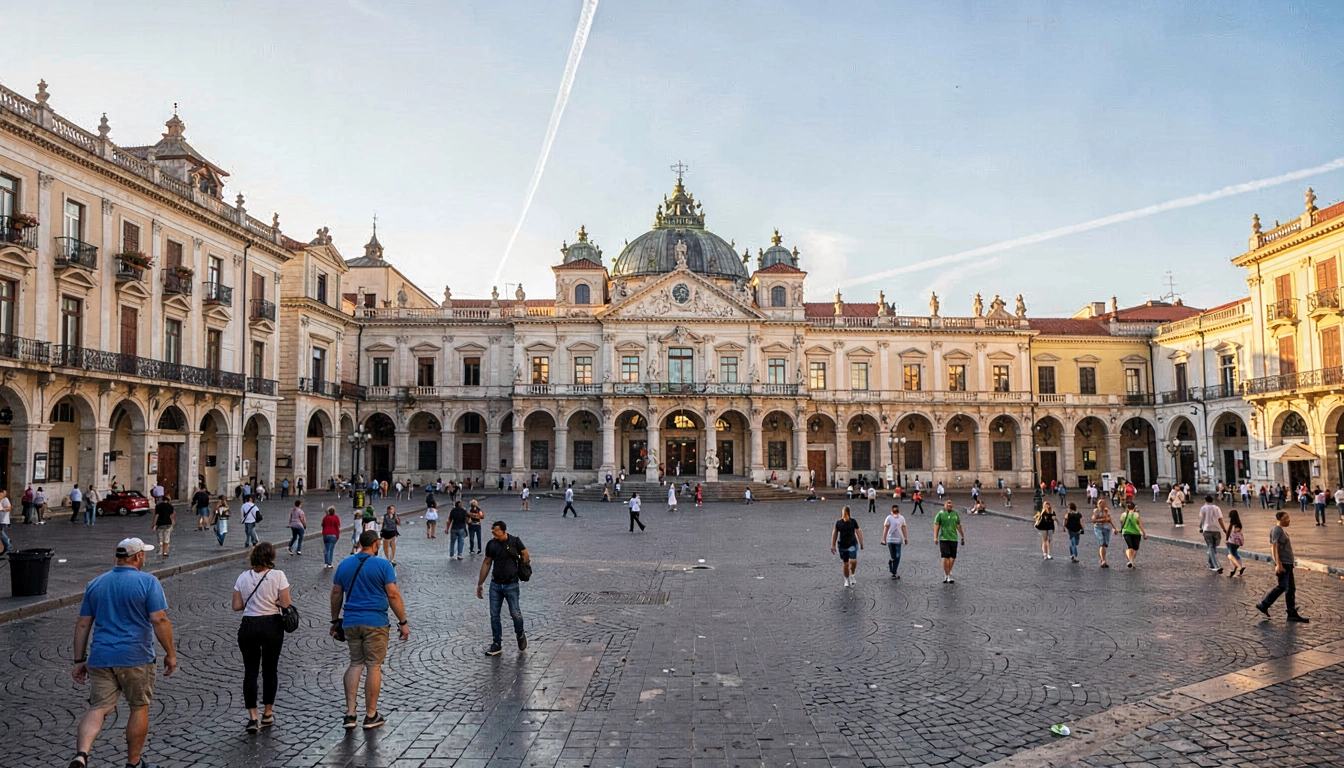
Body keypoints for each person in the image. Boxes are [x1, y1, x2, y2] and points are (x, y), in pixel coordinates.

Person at [67, 538, 176, 768]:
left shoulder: (96, 584)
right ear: (137, 557)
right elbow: (159, 619)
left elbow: (83, 624)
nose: (144, 558)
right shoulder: (148, 582)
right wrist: (170, 653)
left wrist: (79, 660)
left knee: (98, 708)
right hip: (136, 657)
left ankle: (81, 755)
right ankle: (133, 763)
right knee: (138, 707)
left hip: (101, 657)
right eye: (143, 554)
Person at [330, 531, 409, 730]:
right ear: (376, 544)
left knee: (355, 663)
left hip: (351, 621)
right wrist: (403, 622)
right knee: (374, 666)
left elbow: (336, 593)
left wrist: (334, 620)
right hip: (375, 622)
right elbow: (393, 595)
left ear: (359, 543)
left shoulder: (345, 564)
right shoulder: (383, 565)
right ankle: (371, 715)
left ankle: (350, 714)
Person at [232, 542, 292, 732]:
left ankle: (252, 717)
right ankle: (267, 713)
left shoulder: (242, 577)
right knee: (270, 670)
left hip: (249, 625)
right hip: (271, 625)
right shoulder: (278, 575)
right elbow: (286, 603)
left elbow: (236, 606)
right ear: (271, 557)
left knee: (250, 672)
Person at [477, 520, 530, 655]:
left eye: (496, 531)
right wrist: (480, 583)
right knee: (494, 615)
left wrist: (522, 567)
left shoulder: (514, 541)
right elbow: (487, 563)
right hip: (495, 585)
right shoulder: (491, 544)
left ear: (503, 530)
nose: (494, 533)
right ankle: (497, 643)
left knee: (515, 613)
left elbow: (525, 553)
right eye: (493, 531)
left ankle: (520, 635)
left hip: (511, 584)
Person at [1255, 511, 1309, 623]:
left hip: (1287, 563)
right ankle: (1266, 604)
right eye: (1286, 518)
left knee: (1289, 588)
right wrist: (1278, 564)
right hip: (1283, 563)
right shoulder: (1277, 530)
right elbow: (1274, 547)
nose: (1288, 520)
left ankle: (1289, 611)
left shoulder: (1281, 531)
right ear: (1280, 519)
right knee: (1284, 586)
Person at [933, 500, 965, 583]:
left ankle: (948, 571)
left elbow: (958, 526)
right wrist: (935, 537)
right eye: (948, 505)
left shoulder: (955, 514)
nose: (949, 507)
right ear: (945, 505)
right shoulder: (940, 514)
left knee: (952, 557)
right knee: (945, 556)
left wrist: (962, 536)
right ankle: (947, 575)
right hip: (944, 538)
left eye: (951, 505)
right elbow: (936, 525)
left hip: (953, 538)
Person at [830, 507, 863, 587]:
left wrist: (861, 542)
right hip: (842, 545)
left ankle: (852, 575)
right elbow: (835, 533)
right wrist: (833, 545)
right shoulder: (839, 523)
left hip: (852, 543)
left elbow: (858, 531)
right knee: (845, 564)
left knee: (853, 561)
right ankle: (846, 578)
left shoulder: (853, 522)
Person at [1198, 495, 1227, 573]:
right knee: (1213, 547)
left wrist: (1200, 527)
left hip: (1207, 529)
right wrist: (1224, 529)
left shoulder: (1203, 508)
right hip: (1216, 529)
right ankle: (1215, 565)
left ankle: (1212, 564)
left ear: (1205, 500)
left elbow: (1201, 518)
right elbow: (1220, 519)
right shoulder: (1217, 508)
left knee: (1211, 547)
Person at [1118, 502, 1147, 569]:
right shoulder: (1136, 515)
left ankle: (1131, 562)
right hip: (1136, 532)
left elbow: (1121, 522)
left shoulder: (1123, 514)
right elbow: (1140, 525)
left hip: (1126, 532)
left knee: (1131, 547)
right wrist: (1144, 533)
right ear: (1134, 507)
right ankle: (1131, 561)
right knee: (1134, 548)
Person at [882, 504, 908, 580]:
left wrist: (905, 538)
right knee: (894, 556)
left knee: (898, 556)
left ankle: (894, 572)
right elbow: (885, 529)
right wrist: (884, 539)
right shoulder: (889, 518)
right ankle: (891, 562)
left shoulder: (902, 518)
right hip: (890, 540)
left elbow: (903, 528)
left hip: (898, 540)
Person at [1091, 500, 1113, 568]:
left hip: (1107, 528)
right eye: (1100, 503)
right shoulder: (1096, 511)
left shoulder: (1106, 511)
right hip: (1098, 528)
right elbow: (1094, 520)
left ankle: (1103, 559)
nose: (1102, 505)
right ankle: (1103, 560)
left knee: (1105, 544)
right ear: (1098, 504)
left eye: (1103, 503)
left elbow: (1109, 520)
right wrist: (1103, 520)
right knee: (1102, 543)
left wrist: (1115, 528)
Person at [1225, 508, 1245, 577]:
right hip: (1237, 543)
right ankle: (1237, 570)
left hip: (1231, 542)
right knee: (1235, 555)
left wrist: (1226, 540)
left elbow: (1229, 533)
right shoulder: (1239, 524)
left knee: (1230, 555)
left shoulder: (1232, 525)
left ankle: (1239, 566)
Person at [0, 489, 11, 556]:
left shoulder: (5, 500)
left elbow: (9, 508)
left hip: (3, 520)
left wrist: (3, 510)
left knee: (1, 533)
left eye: (1, 494)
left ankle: (8, 544)